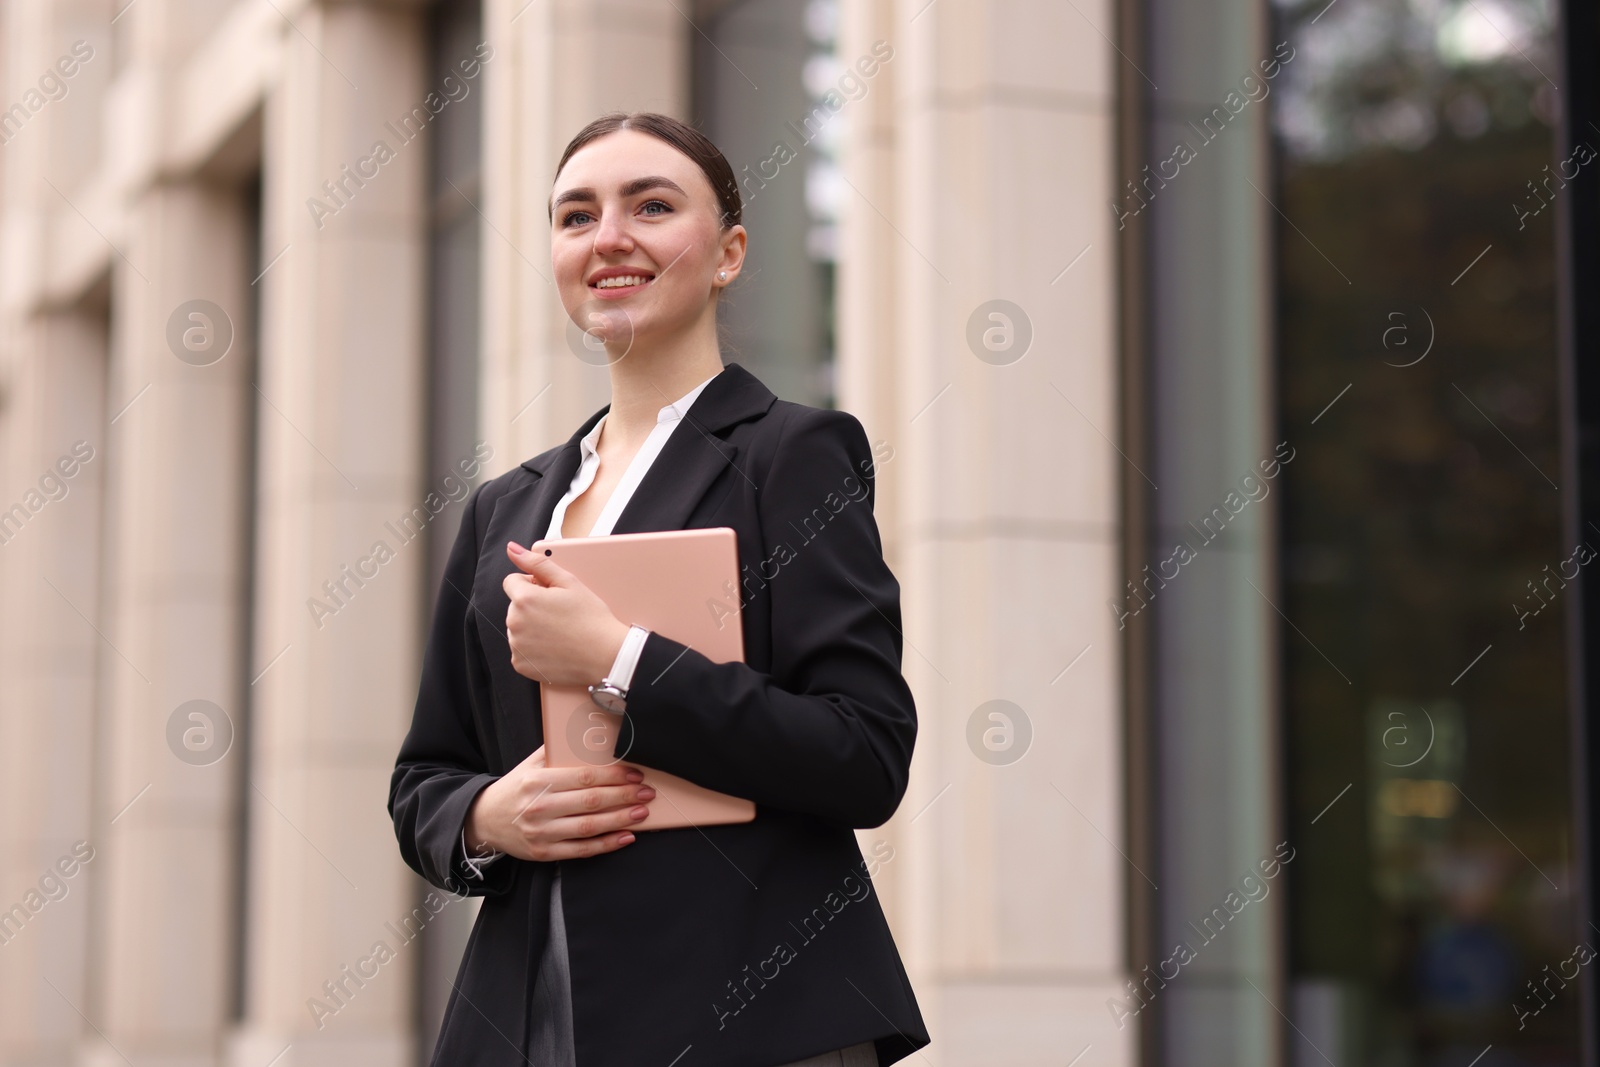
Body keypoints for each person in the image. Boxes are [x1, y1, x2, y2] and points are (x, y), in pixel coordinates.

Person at [389, 111, 928, 1067]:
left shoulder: (791, 457)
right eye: (576, 215)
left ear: (728, 253)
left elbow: (864, 751)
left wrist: (620, 660)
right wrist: (483, 819)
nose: (610, 237)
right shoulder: (503, 509)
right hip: (523, 1022)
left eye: (652, 205)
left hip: (748, 1016)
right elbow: (424, 776)